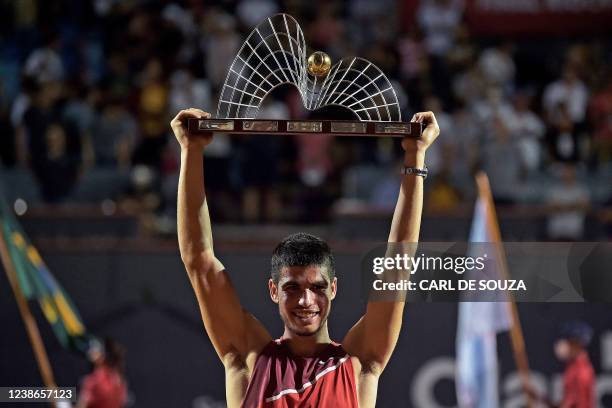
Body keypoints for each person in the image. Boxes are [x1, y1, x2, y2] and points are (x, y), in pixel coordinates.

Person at [171, 108, 440, 407]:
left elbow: (398, 266)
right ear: (274, 291)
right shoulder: (249, 360)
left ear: (333, 289)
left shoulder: (357, 364)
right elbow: (199, 261)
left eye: (317, 288)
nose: (305, 301)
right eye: (292, 288)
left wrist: (416, 156)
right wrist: (191, 151)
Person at [527, 321, 595, 408]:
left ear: (577, 344)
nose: (563, 344)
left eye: (568, 341)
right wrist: (538, 397)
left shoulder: (580, 372)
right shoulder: (575, 368)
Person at [78, 338, 128, 408]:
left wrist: (60, 397)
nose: (91, 352)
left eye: (95, 350)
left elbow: (81, 405)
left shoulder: (93, 380)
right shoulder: (118, 378)